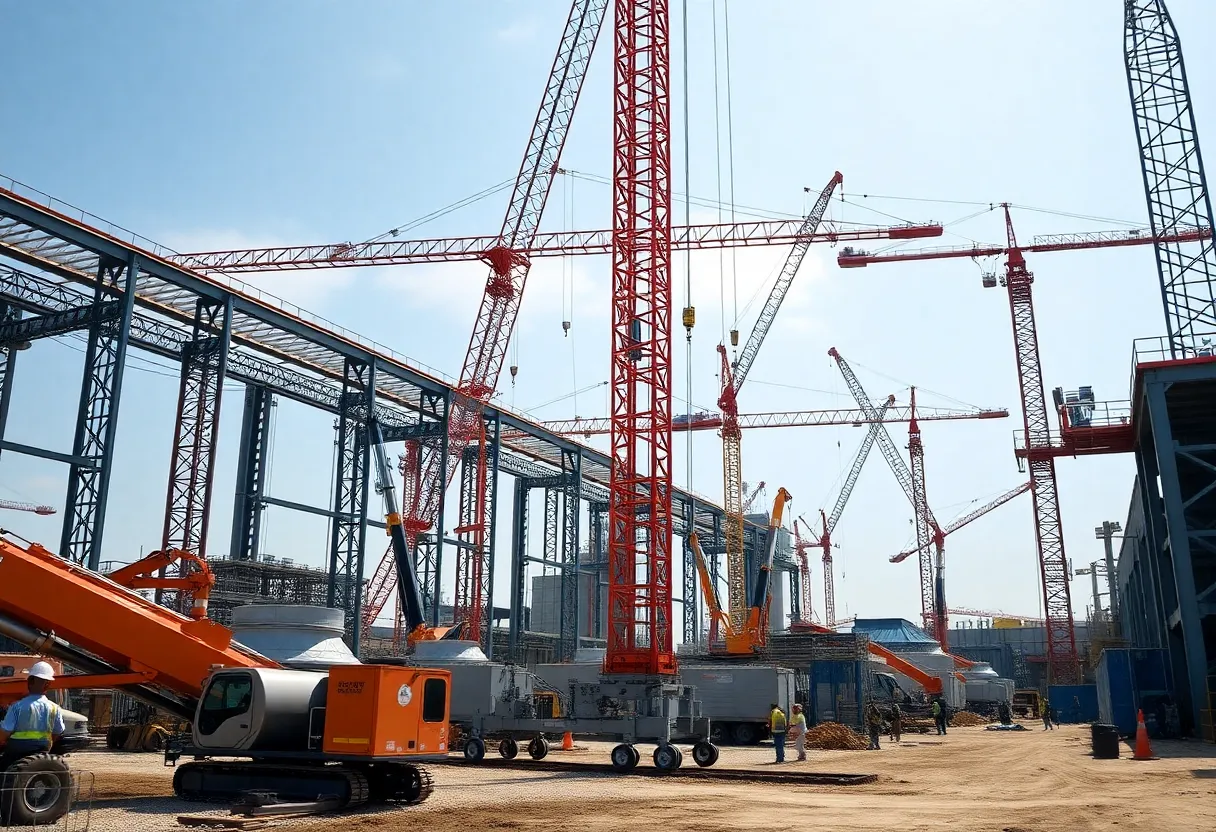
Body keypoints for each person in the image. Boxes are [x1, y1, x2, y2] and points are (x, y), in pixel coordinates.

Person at [0, 661, 65, 766]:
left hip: (17, 750)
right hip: (43, 748)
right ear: (48, 685)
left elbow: (5, 731)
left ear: (29, 681)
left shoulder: (17, 706)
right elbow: (58, 731)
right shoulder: (54, 708)